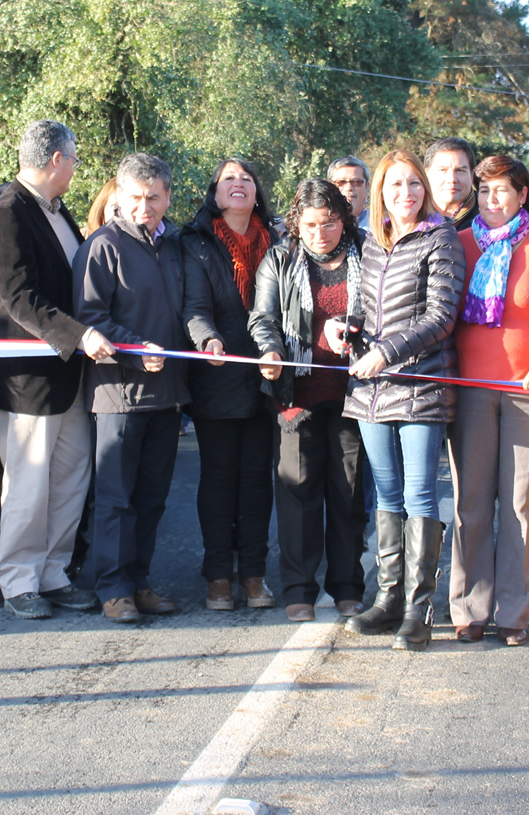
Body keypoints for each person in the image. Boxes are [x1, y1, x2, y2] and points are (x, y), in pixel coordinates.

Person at [0, 120, 109, 620]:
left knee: (71, 475)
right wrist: (80, 336)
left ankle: (54, 573)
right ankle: (18, 580)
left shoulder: (57, 212)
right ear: (56, 159)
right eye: (74, 158)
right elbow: (18, 299)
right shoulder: (6, 213)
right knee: (28, 484)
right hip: (27, 380)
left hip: (70, 376)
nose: (76, 168)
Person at [338, 148, 463, 651]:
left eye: (413, 184)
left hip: (421, 387)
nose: (405, 194)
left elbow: (440, 317)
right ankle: (388, 600)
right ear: (381, 195)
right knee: (386, 498)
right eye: (394, 186)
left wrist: (385, 353)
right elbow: (362, 309)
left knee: (419, 497)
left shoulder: (441, 237)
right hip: (370, 392)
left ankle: (420, 608)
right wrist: (343, 329)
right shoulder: (369, 243)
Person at [448, 154, 529, 646]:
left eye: (503, 190)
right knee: (470, 502)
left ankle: (515, 611)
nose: (494, 199)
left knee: (519, 506)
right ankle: (469, 606)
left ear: (522, 195)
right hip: (470, 390)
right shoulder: (460, 242)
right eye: (487, 190)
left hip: (526, 391)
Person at [74, 152, 190, 623]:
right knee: (116, 497)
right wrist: (133, 345)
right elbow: (88, 318)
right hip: (117, 392)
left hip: (169, 394)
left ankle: (139, 581)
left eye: (154, 198)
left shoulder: (175, 246)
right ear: (119, 196)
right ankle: (113, 587)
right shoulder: (102, 246)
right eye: (136, 198)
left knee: (152, 496)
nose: (145, 208)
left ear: (167, 196)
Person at [249, 179, 367, 622]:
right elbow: (262, 317)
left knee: (349, 495)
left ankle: (347, 586)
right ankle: (298, 588)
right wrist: (271, 351)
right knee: (298, 496)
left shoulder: (366, 253)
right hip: (295, 396)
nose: (322, 232)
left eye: (331, 222)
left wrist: (354, 327)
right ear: (297, 223)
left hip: (354, 396)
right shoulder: (279, 258)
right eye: (312, 224)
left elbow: (377, 312)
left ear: (344, 220)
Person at [182, 157, 279, 612]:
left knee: (258, 480)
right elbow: (194, 306)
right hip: (217, 375)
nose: (237, 184)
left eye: (246, 178)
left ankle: (254, 575)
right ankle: (218, 576)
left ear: (258, 191)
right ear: (215, 192)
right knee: (219, 480)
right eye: (228, 179)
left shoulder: (277, 240)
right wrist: (208, 338)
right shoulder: (195, 241)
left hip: (269, 376)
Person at [424, 137, 479, 229]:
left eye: (460, 170)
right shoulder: (411, 213)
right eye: (442, 170)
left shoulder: (489, 216)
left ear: (472, 175)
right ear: (427, 175)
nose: (452, 179)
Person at [328, 156, 371, 230]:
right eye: (341, 182)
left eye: (356, 182)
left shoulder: (384, 228)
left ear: (367, 187)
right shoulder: (320, 228)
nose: (349, 188)